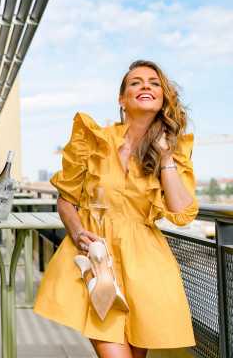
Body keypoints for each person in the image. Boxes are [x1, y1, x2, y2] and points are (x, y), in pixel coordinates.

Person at [33, 60, 198, 357]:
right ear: (122, 100)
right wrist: (79, 232)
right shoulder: (92, 140)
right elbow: (67, 199)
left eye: (154, 82)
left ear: (162, 99)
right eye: (136, 82)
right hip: (96, 261)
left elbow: (182, 213)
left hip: (145, 267)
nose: (145, 85)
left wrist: (165, 157)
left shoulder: (174, 148)